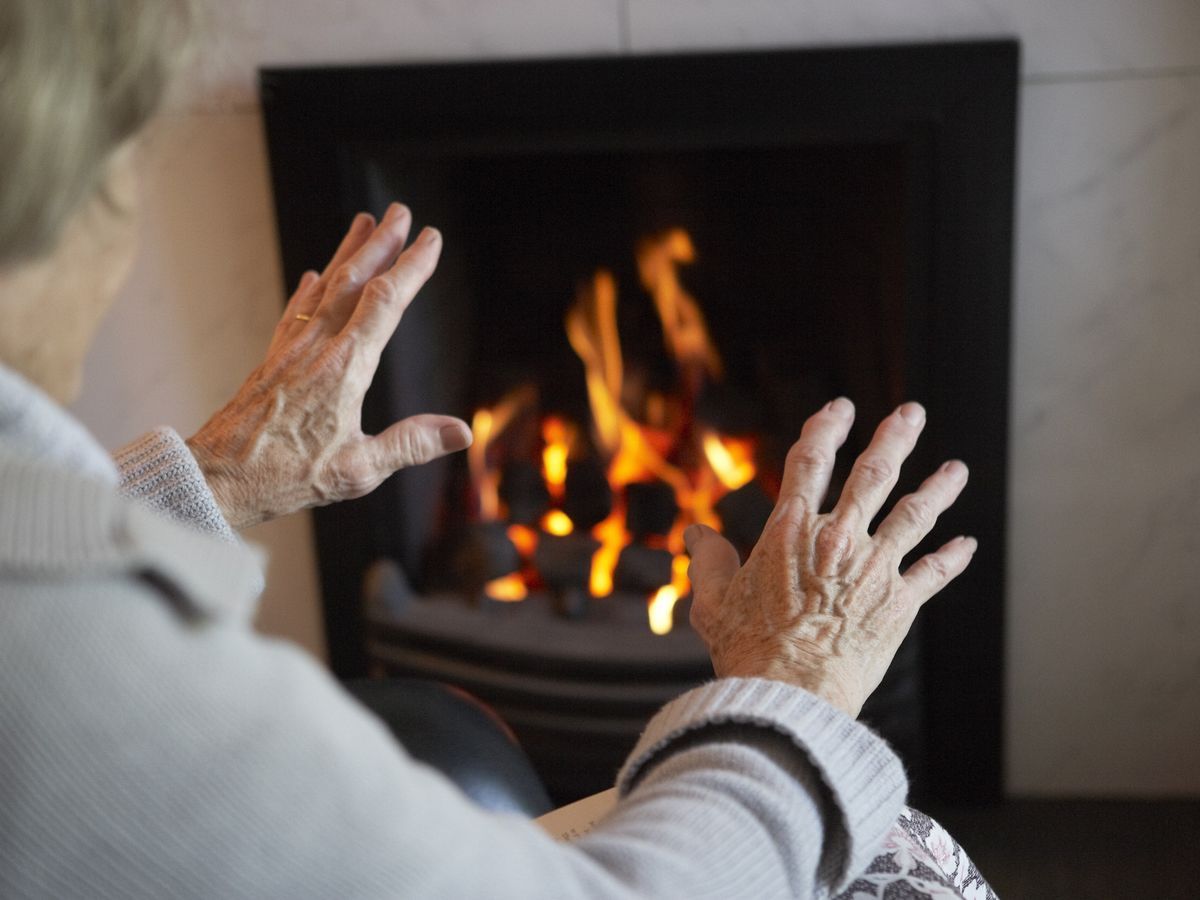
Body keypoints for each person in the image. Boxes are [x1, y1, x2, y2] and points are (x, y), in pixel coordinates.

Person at [0, 2, 995, 898]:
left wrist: (207, 480)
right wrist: (795, 680)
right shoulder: (85, 682)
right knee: (894, 849)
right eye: (127, 154)